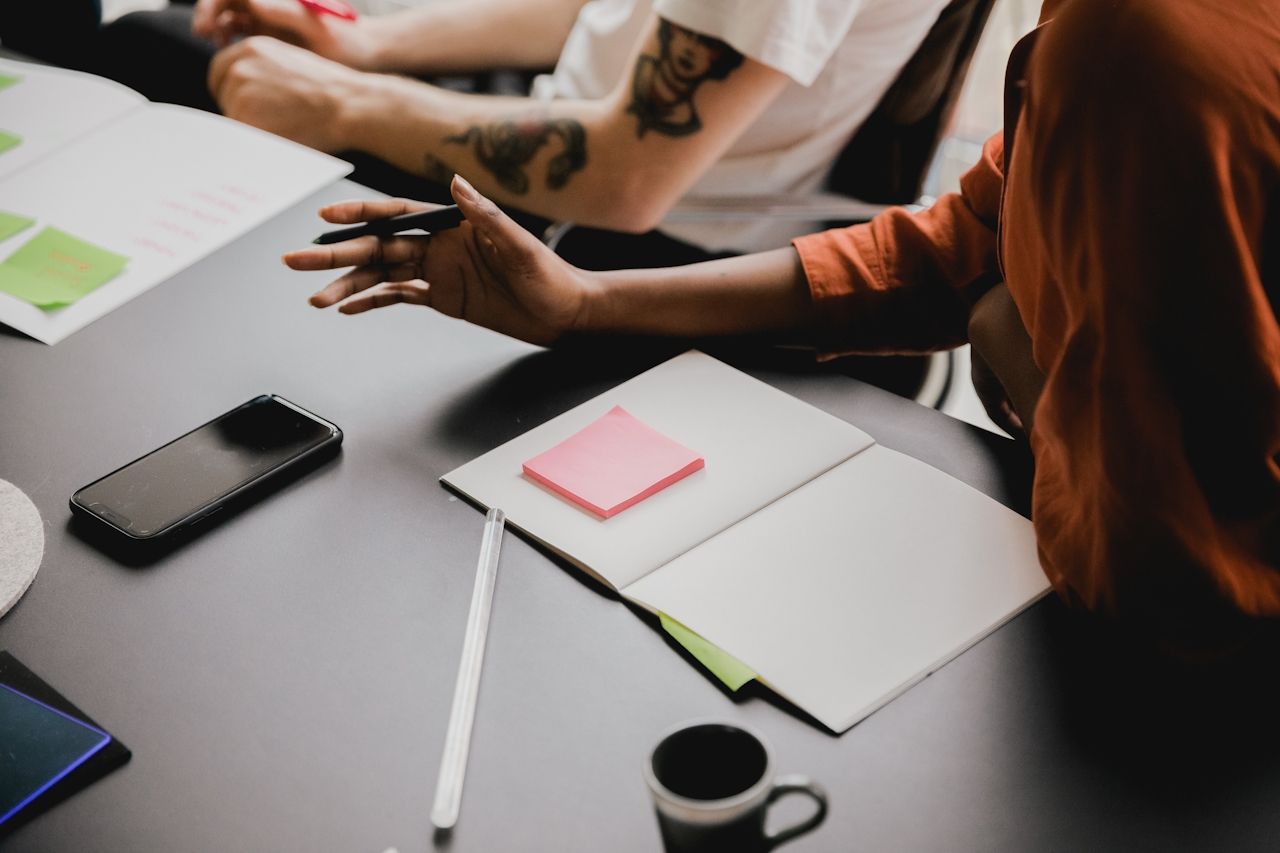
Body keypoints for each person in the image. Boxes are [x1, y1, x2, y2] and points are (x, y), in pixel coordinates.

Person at [283, 0, 1280, 654]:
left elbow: (1157, 560)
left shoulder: (1133, 45)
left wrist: (1008, 350)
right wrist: (584, 308)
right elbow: (962, 241)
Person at [172, 0, 953, 265]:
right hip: (577, 125)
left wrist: (342, 102)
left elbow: (626, 176)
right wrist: (368, 46)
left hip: (617, 238)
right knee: (186, 39)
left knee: (151, 47)